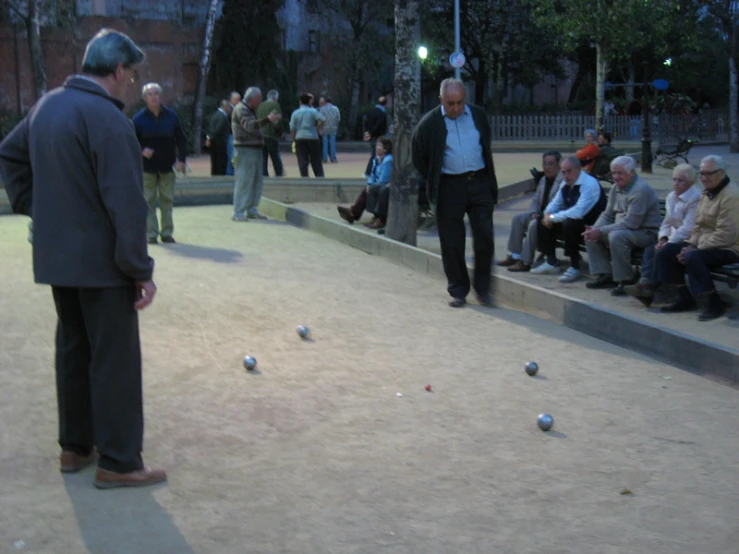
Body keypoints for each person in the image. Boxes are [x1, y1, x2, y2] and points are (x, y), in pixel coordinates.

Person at [0, 28, 166, 489]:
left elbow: (9, 157)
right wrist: (140, 271)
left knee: (74, 349)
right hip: (103, 265)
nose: (130, 83)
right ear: (117, 70)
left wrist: (39, 207)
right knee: (114, 360)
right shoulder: (110, 120)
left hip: (57, 258)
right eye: (131, 75)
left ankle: (75, 448)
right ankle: (120, 461)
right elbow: (128, 205)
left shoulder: (47, 105)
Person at [411, 78, 498, 308]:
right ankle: (458, 289)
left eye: (460, 102)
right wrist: (435, 176)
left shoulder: (478, 116)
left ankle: (483, 289)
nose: (456, 108)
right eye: (450, 103)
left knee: (485, 237)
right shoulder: (429, 124)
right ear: (441, 100)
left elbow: (485, 144)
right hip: (449, 185)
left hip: (479, 181)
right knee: (451, 240)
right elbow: (418, 155)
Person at [658, 155, 739, 321]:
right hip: (708, 244)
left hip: (731, 247)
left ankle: (714, 302)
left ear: (722, 173)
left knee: (692, 256)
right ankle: (684, 297)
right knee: (668, 250)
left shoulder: (731, 195)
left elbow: (726, 235)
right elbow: (699, 227)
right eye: (701, 174)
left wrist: (694, 247)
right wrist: (690, 243)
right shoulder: (707, 193)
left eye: (709, 173)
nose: (703, 178)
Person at [624, 164, 701, 306]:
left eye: (680, 180)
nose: (676, 184)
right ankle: (645, 282)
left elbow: (689, 227)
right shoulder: (671, 196)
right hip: (674, 237)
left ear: (691, 182)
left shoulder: (696, 199)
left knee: (664, 251)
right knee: (650, 249)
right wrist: (663, 238)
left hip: (690, 240)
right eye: (674, 179)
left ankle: (651, 289)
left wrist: (669, 241)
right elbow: (667, 222)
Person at [584, 156, 662, 295]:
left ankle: (625, 280)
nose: (616, 176)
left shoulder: (640, 190)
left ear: (631, 172)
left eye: (620, 173)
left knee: (616, 237)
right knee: (590, 234)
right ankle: (605, 274)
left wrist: (601, 230)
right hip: (624, 228)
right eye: (613, 173)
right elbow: (607, 214)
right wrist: (595, 229)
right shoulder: (616, 188)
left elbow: (631, 224)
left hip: (646, 232)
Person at [531, 156, 607, 283]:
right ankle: (551, 262)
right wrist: (547, 214)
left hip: (592, 222)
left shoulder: (589, 184)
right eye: (563, 172)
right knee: (542, 220)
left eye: (569, 171)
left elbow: (578, 212)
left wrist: (553, 217)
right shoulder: (566, 183)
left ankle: (574, 266)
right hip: (575, 220)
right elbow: (556, 203)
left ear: (578, 169)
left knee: (569, 224)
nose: (565, 175)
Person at [132, 82, 188, 244]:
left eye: (156, 93)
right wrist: (142, 150)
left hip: (167, 166)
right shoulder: (138, 119)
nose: (154, 97)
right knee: (147, 201)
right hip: (147, 168)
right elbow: (130, 142)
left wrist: (182, 160)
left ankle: (166, 233)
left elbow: (181, 140)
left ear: (160, 96)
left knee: (167, 200)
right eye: (150, 94)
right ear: (145, 98)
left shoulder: (171, 116)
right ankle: (151, 233)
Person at [497, 151, 564, 272]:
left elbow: (561, 205)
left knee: (534, 225)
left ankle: (525, 261)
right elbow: (535, 199)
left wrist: (542, 217)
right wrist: (533, 212)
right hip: (538, 214)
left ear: (558, 165)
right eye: (544, 164)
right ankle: (515, 255)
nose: (547, 167)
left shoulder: (563, 181)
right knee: (518, 219)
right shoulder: (543, 179)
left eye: (551, 164)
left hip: (553, 218)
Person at [231, 86, 282, 221]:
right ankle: (238, 211)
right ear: (253, 99)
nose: (261, 102)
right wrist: (268, 119)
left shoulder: (250, 110)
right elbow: (249, 126)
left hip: (255, 149)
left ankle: (252, 209)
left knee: (256, 181)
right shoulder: (241, 109)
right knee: (244, 180)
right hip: (245, 149)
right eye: (259, 99)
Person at [336, 137, 393, 229]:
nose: (376, 147)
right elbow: (372, 175)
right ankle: (354, 212)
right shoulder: (376, 159)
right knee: (367, 189)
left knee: (373, 190)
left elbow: (383, 178)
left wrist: (372, 186)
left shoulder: (388, 160)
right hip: (377, 184)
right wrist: (369, 184)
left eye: (379, 146)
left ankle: (355, 213)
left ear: (385, 149)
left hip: (385, 184)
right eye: (377, 145)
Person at [290, 93, 326, 178]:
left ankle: (305, 178)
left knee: (302, 160)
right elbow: (323, 120)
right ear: (309, 102)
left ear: (300, 102)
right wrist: (318, 127)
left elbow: (292, 128)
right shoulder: (313, 111)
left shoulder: (295, 113)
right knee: (316, 160)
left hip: (300, 137)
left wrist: (293, 139)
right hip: (313, 137)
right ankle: (320, 177)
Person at [256, 89, 284, 177]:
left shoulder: (260, 105)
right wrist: (280, 133)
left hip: (260, 134)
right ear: (275, 98)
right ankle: (279, 174)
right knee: (275, 156)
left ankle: (264, 174)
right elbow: (277, 121)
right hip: (271, 135)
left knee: (263, 157)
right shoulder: (275, 105)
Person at [363, 96, 389, 177]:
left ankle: (374, 172)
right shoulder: (382, 113)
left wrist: (367, 133)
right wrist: (371, 133)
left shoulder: (370, 112)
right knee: (376, 155)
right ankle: (368, 172)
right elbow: (378, 125)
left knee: (376, 154)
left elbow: (366, 123)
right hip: (379, 136)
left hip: (372, 136)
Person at [206, 99, 232, 176]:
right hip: (220, 142)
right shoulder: (223, 117)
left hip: (214, 142)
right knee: (221, 162)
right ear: (226, 107)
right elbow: (217, 129)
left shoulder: (215, 114)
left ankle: (214, 175)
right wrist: (210, 138)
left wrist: (209, 138)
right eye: (229, 107)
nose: (230, 109)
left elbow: (211, 128)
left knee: (214, 161)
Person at [319, 95, 341, 163]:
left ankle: (324, 159)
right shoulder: (335, 108)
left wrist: (320, 128)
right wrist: (336, 125)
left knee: (325, 144)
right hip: (333, 128)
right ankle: (333, 158)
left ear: (325, 101)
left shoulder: (322, 109)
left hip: (325, 128)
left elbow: (320, 119)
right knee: (332, 143)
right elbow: (338, 118)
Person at [225, 91, 241, 176]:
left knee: (234, 157)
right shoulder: (230, 110)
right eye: (236, 99)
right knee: (232, 157)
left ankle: (231, 174)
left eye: (239, 99)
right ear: (231, 100)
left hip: (234, 136)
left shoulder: (235, 109)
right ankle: (229, 175)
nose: (238, 102)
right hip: (232, 136)